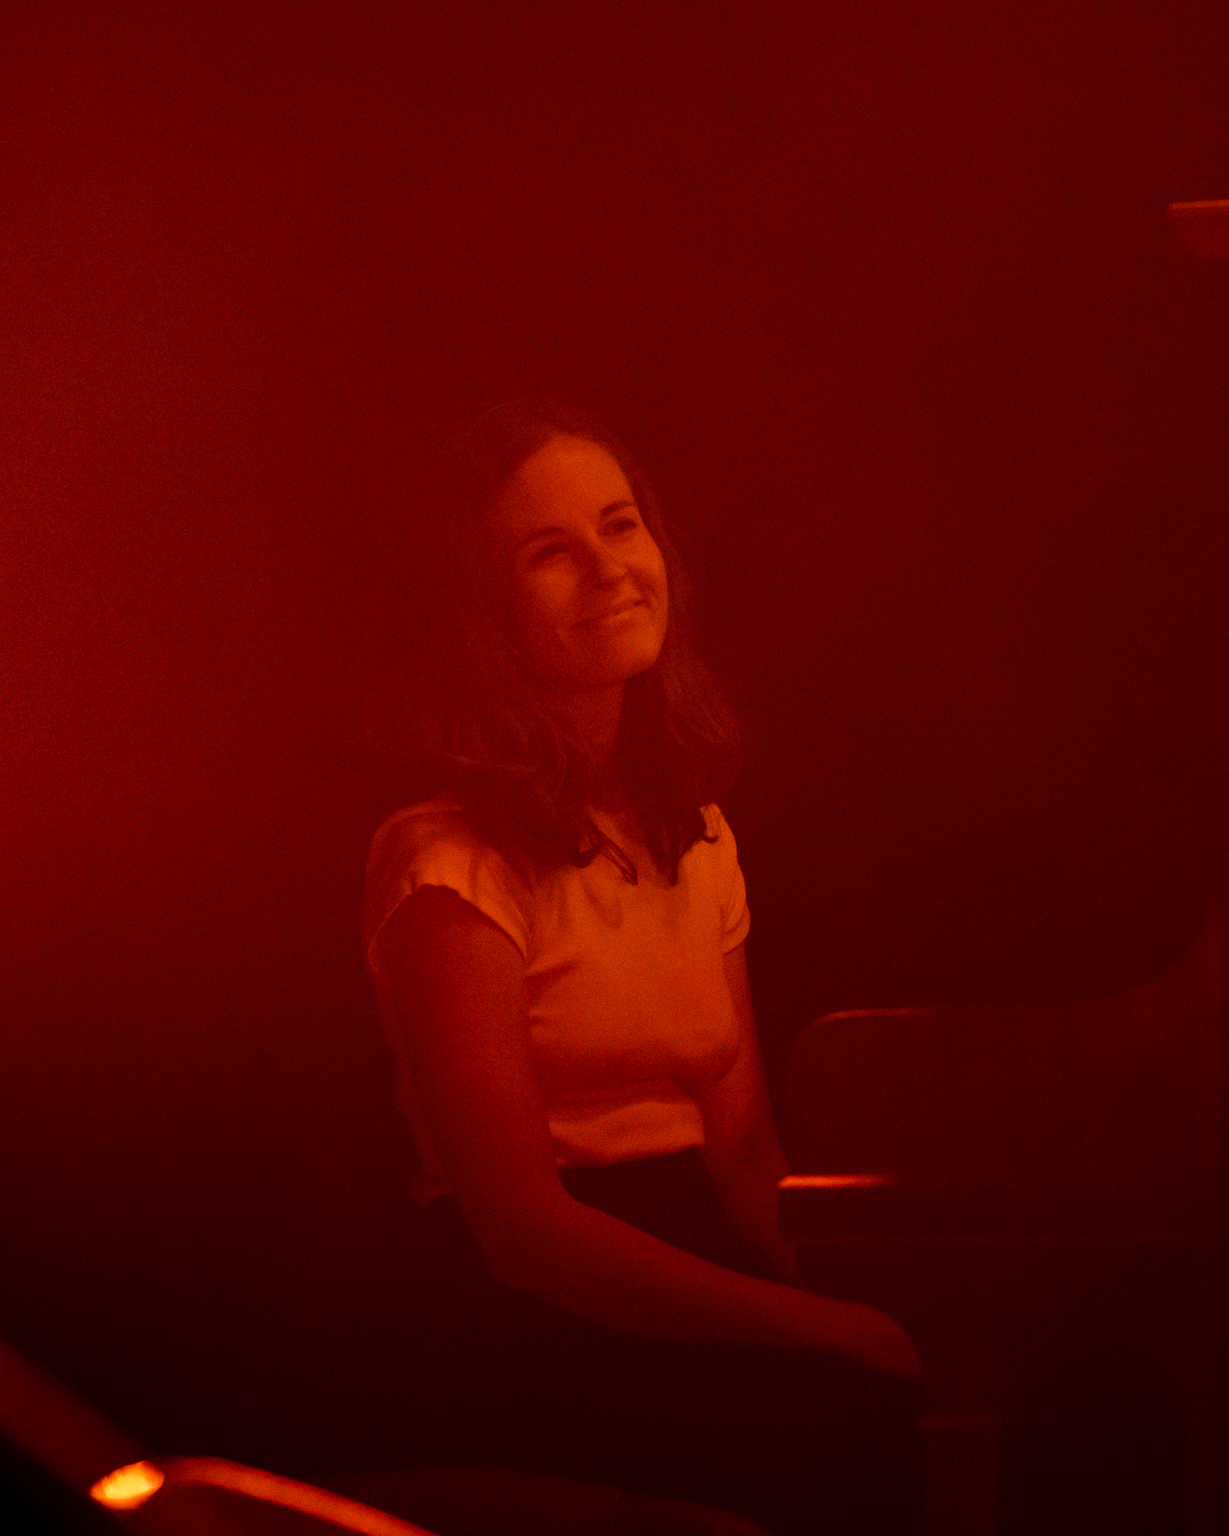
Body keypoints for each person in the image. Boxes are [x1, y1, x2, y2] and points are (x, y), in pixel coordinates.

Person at [355, 400, 923, 1536]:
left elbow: (745, 1154)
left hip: (691, 1264)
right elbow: (522, 1230)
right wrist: (814, 1329)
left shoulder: (694, 833)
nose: (608, 568)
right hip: (540, 1325)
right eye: (549, 551)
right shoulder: (449, 866)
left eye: (619, 525)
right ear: (483, 612)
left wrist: (871, 1309)